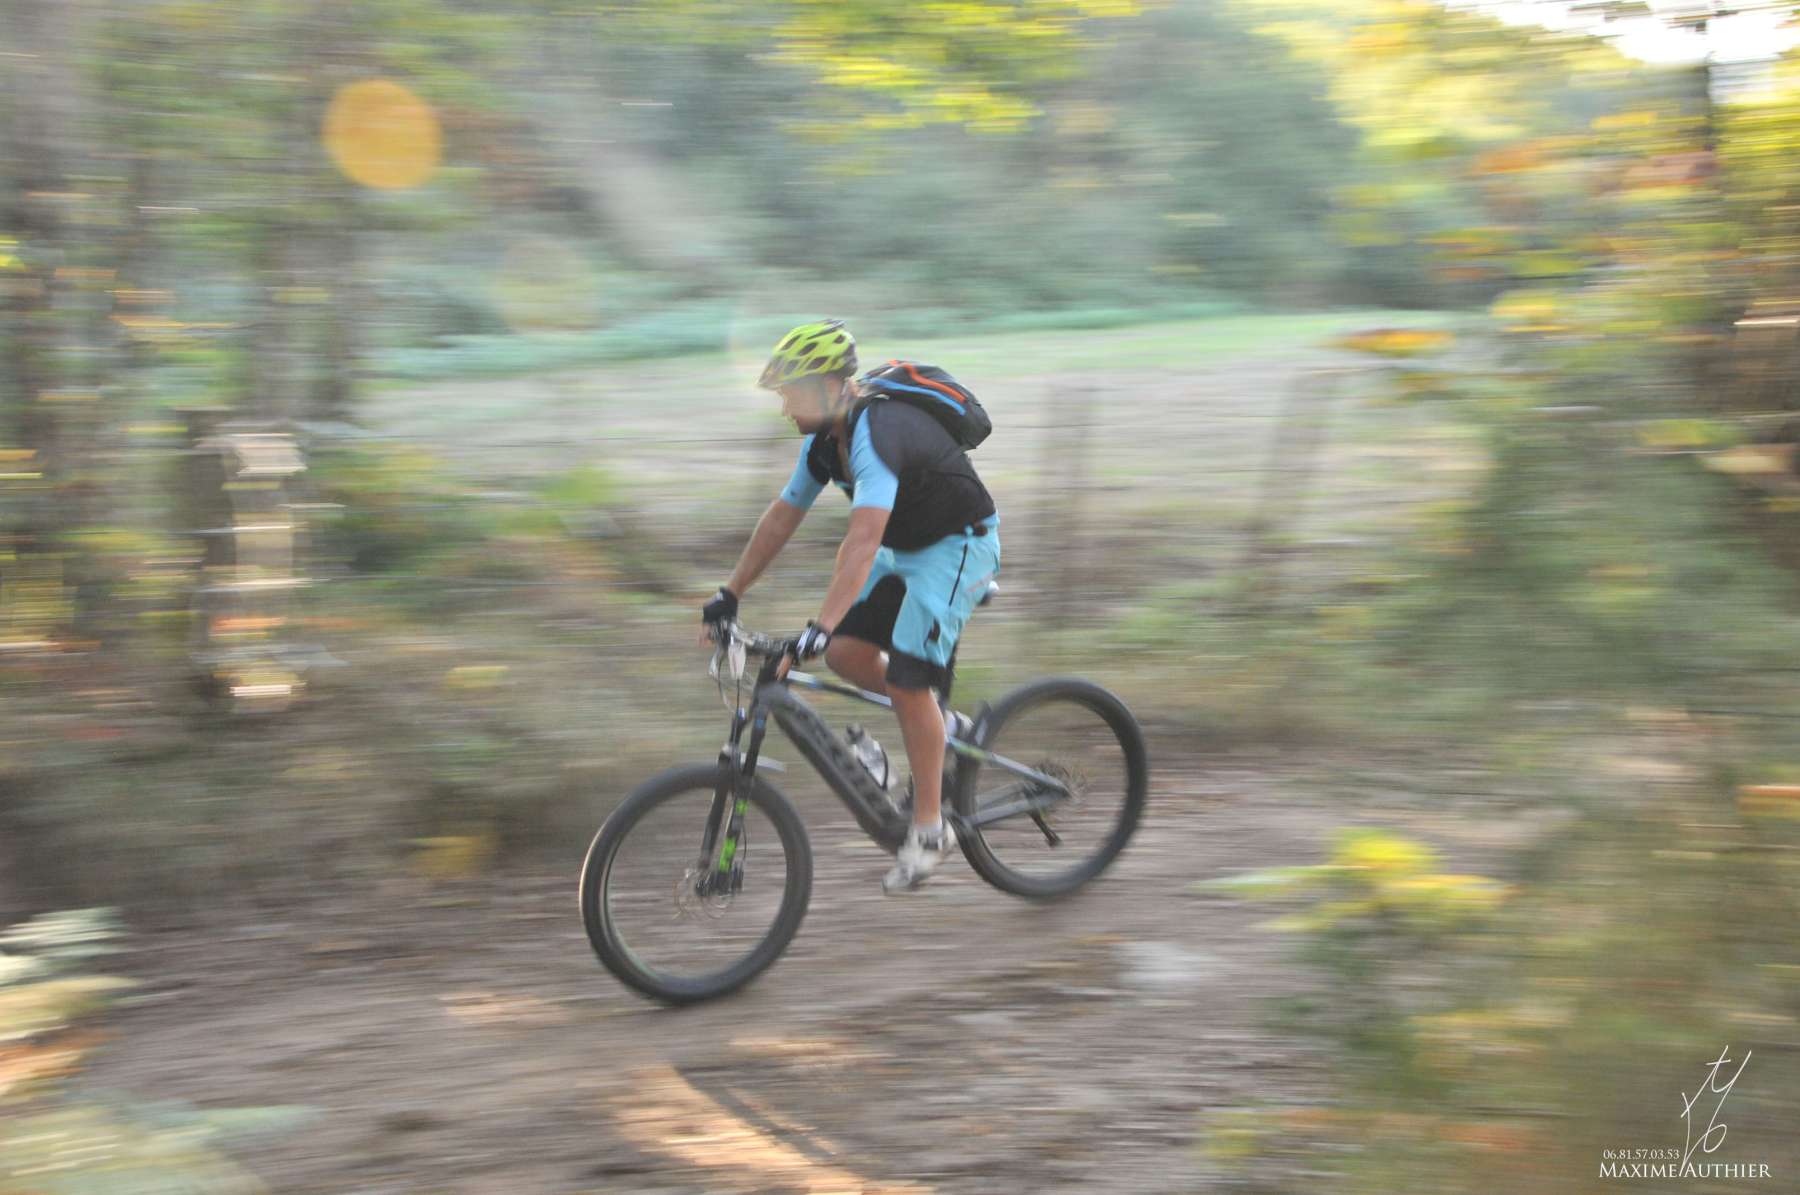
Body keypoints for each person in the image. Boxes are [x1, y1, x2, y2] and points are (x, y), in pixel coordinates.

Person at [700, 319, 1000, 893]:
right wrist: (729, 593)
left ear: (832, 387)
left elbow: (862, 542)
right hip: (903, 548)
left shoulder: (876, 433)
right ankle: (944, 726)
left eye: (792, 393)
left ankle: (931, 830)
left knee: (908, 681)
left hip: (958, 547)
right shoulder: (823, 444)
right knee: (844, 654)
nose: (785, 406)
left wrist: (819, 624)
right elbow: (782, 517)